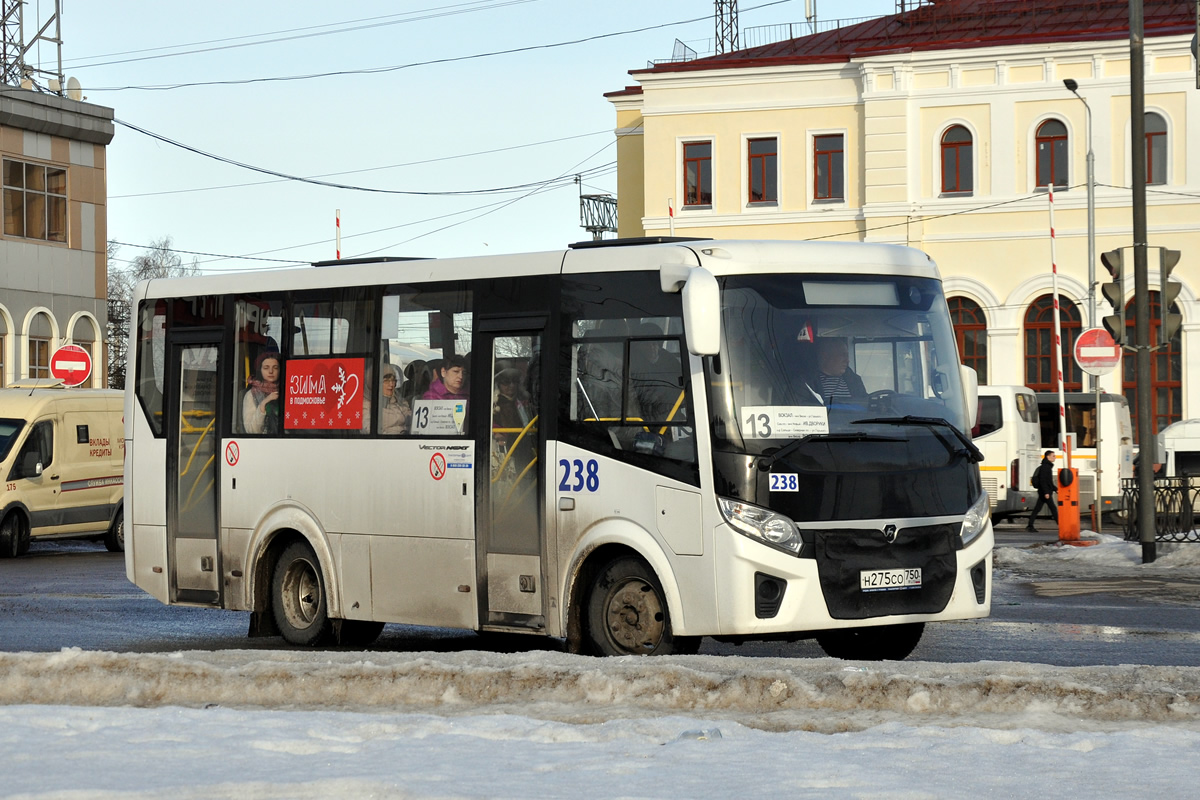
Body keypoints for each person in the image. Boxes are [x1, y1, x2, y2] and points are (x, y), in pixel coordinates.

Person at [813, 337, 866, 404]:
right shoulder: (809, 383)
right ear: (826, 356)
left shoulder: (855, 381)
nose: (847, 360)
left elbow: (865, 406)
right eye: (843, 355)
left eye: (847, 356)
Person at [243, 352, 281, 434]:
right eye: (266, 368)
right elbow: (251, 430)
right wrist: (263, 403)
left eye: (275, 368)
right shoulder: (251, 394)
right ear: (260, 370)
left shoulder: (289, 391)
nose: (271, 371)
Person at [1026, 450, 1059, 531]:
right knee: (1053, 509)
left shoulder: (1047, 466)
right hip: (1044, 492)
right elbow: (1043, 481)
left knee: (1038, 509)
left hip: (1044, 491)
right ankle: (1061, 525)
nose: (1055, 457)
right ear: (1048, 457)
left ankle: (1030, 525)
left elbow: (1049, 482)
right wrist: (1046, 492)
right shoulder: (1046, 467)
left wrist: (1055, 489)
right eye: (1053, 456)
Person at [379, 363, 411, 435]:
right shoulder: (368, 404)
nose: (391, 384)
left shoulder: (400, 400)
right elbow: (368, 429)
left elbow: (412, 421)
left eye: (393, 380)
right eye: (386, 381)